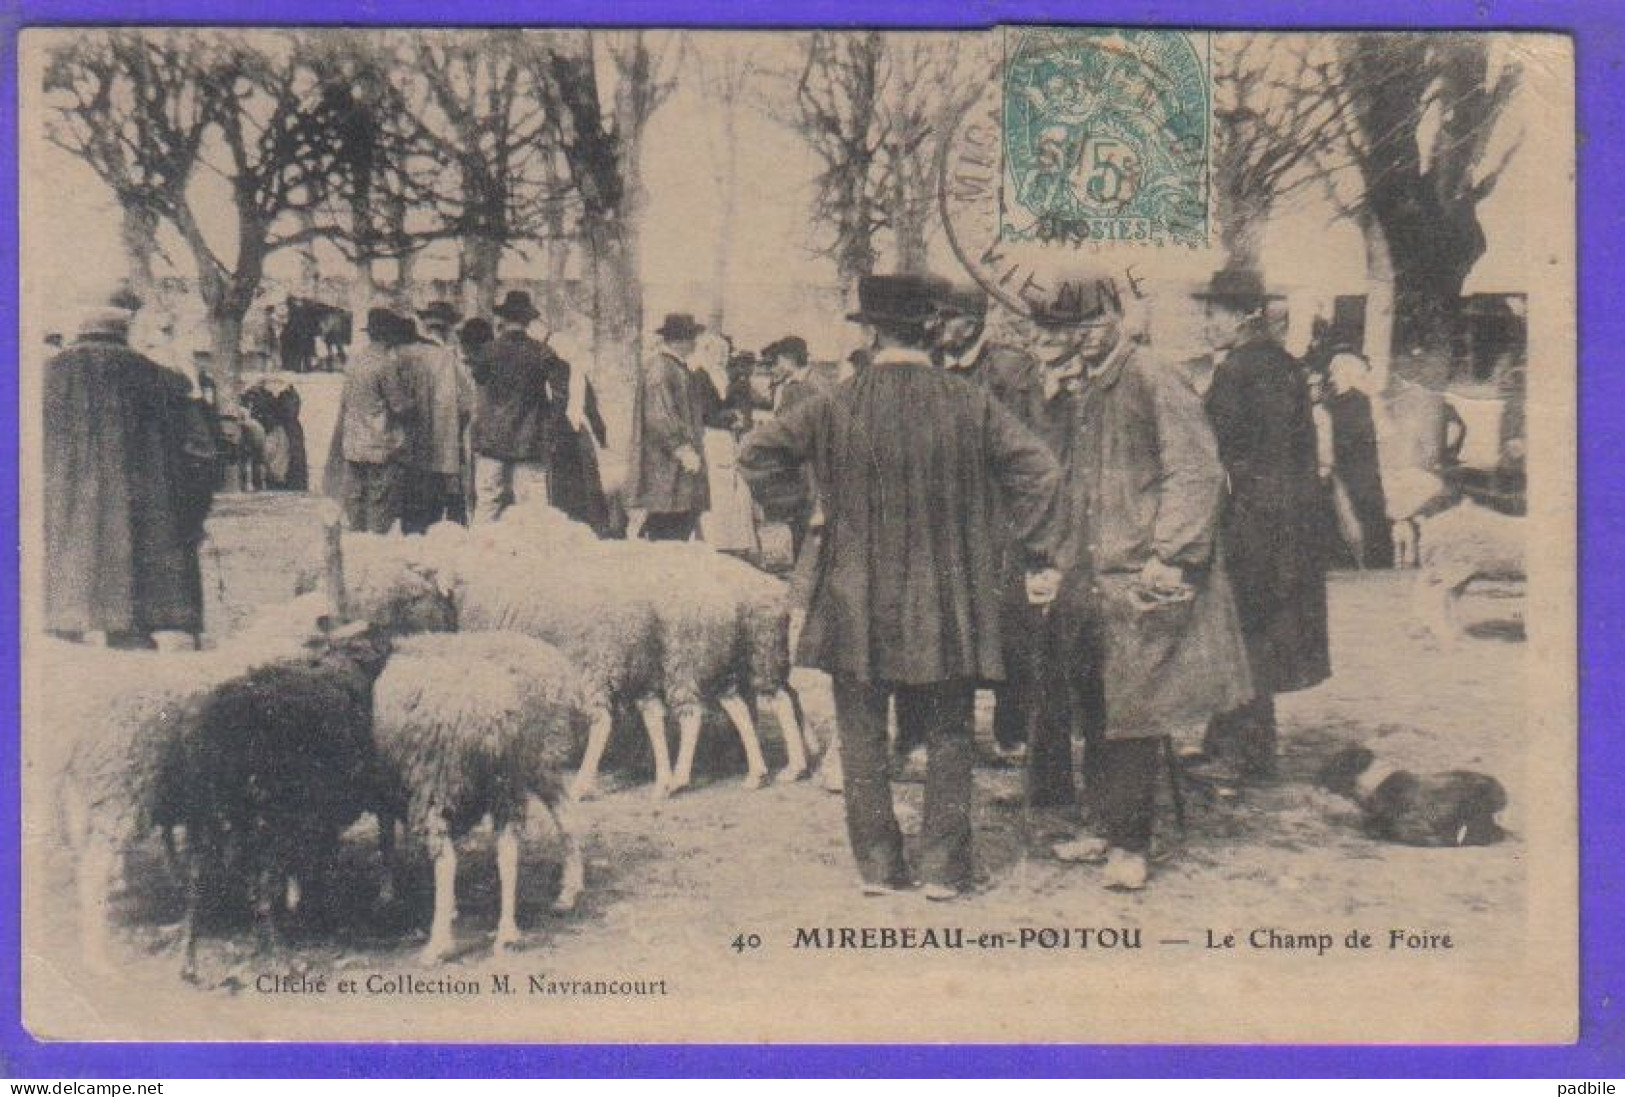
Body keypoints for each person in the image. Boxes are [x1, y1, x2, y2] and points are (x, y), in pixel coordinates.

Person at [738, 274, 1065, 900]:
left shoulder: (836, 401)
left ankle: (879, 867)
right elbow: (1040, 472)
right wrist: (1022, 543)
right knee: (949, 727)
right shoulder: (969, 402)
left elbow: (756, 453)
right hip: (949, 593)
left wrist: (808, 507)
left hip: (855, 591)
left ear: (872, 331)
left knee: (861, 729)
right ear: (932, 328)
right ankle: (944, 868)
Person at [1044, 274, 1255, 889]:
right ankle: (1100, 824)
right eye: (1068, 330)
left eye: (1088, 326)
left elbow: (1196, 471)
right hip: (1091, 572)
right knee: (1089, 703)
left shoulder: (1152, 375)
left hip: (1141, 575)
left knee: (1132, 711)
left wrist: (1169, 553)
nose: (1079, 340)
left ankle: (1129, 846)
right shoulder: (1089, 388)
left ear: (1116, 315)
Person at [1196, 269, 1331, 784]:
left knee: (1244, 630)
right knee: (1258, 632)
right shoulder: (1283, 366)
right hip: (1287, 522)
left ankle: (1241, 753)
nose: (1208, 324)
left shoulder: (1242, 371)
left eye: (1214, 314)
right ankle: (1231, 741)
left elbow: (1229, 448)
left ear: (1245, 315)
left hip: (1254, 522)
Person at [43, 285, 217, 650]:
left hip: (60, 526)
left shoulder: (42, 378)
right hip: (141, 537)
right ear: (125, 330)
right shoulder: (160, 378)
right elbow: (202, 452)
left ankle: (65, 624)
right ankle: (126, 631)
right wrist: (190, 512)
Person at [930, 282, 1054, 765]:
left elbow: (1033, 450)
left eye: (947, 317)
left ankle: (1011, 731)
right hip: (948, 516)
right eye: (934, 318)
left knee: (1009, 626)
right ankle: (949, 731)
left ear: (972, 321)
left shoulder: (1011, 370)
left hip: (999, 519)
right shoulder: (936, 367)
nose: (937, 326)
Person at [469, 290, 570, 524]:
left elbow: (479, 381)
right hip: (530, 439)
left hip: (491, 439)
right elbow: (561, 394)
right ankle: (530, 558)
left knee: (486, 504)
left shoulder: (487, 351)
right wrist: (550, 423)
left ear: (503, 319)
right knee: (532, 508)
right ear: (527, 321)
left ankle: (479, 556)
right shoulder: (542, 352)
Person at [628, 313, 710, 541]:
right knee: (668, 522)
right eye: (692, 338)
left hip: (678, 468)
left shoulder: (677, 368)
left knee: (682, 518)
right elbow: (659, 415)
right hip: (666, 466)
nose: (695, 343)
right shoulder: (661, 368)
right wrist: (682, 448)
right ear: (681, 340)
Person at [399, 301, 475, 532]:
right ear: (449, 329)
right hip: (442, 446)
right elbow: (465, 404)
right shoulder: (448, 358)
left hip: (409, 443)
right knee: (437, 500)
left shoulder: (404, 353)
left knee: (412, 500)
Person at [338, 307, 416, 534]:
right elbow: (399, 406)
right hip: (378, 444)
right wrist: (415, 402)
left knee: (355, 501)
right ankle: (371, 550)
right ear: (388, 335)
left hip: (353, 443)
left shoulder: (354, 361)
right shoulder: (386, 364)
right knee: (378, 505)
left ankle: (355, 546)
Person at [1323, 348, 1392, 568]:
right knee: (1369, 513)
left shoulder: (1338, 404)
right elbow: (1385, 434)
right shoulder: (1368, 401)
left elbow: (1337, 440)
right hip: (1365, 467)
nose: (1332, 377)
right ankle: (1378, 560)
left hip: (1349, 467)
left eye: (1335, 372)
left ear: (1345, 374)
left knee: (1351, 513)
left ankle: (1356, 561)